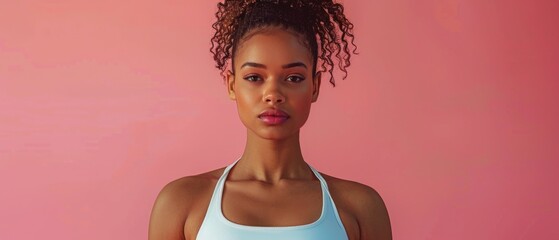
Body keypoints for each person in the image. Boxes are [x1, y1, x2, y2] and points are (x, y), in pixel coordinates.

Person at [148, 0, 392, 239]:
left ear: (315, 86)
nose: (273, 95)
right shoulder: (180, 204)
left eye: (294, 78)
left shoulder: (361, 209)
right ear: (231, 85)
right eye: (254, 77)